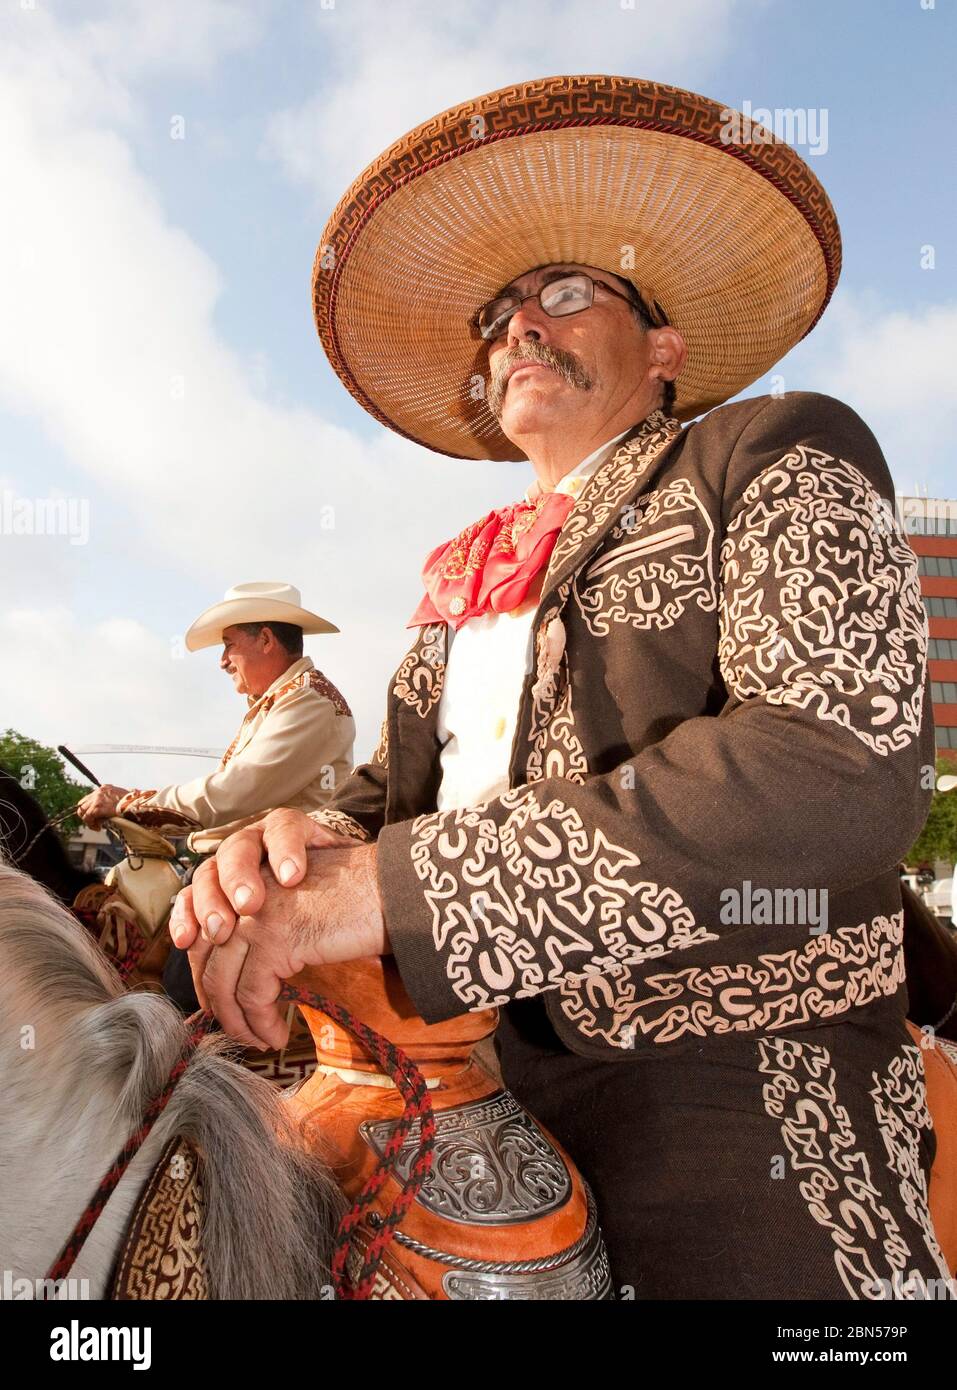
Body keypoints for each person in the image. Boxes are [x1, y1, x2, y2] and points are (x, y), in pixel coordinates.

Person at [169, 76, 953, 1299]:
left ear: (665, 347)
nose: (520, 327)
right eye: (498, 316)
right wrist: (290, 848)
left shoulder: (772, 446)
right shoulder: (461, 581)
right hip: (449, 1094)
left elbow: (837, 762)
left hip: (735, 1098)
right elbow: (394, 799)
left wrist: (388, 888)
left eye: (569, 295)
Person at [77, 581, 355, 854]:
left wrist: (129, 804)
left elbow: (236, 790)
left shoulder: (308, 700)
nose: (222, 660)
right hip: (251, 856)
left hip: (275, 861)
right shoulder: (286, 698)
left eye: (228, 645)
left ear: (266, 640)